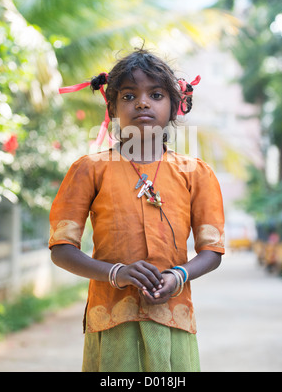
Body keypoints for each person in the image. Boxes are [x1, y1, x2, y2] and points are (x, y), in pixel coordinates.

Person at [49, 48, 225, 372]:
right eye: (129, 95)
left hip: (173, 320)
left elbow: (211, 250)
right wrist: (116, 273)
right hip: (111, 321)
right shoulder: (89, 170)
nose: (142, 103)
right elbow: (61, 249)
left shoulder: (195, 173)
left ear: (175, 106)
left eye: (156, 94)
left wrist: (178, 276)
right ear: (112, 107)